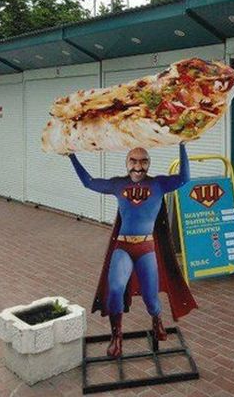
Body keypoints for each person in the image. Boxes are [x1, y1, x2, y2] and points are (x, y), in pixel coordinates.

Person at [68, 142, 197, 358]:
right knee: (115, 289)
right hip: (123, 246)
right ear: (126, 163)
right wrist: (71, 156)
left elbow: (184, 178)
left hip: (146, 248)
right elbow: (88, 182)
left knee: (151, 299)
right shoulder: (118, 184)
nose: (138, 167)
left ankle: (156, 319)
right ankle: (116, 336)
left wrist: (182, 145)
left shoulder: (158, 184)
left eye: (143, 161)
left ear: (149, 164)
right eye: (133, 161)